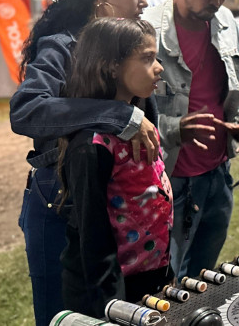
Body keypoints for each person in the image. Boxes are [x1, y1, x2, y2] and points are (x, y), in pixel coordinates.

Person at [10, 0, 157, 326]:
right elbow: (26, 110)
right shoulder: (61, 46)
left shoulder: (130, 49)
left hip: (120, 209)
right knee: (63, 316)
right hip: (60, 205)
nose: (144, 1)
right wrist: (117, 114)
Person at [144, 0, 239, 280]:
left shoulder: (226, 21)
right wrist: (175, 128)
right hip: (171, 176)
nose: (217, 1)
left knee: (203, 275)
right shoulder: (149, 32)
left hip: (218, 173)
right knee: (166, 279)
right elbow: (125, 114)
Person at [57, 18, 171, 318]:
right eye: (147, 58)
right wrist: (113, 307)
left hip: (150, 279)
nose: (159, 67)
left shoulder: (141, 122)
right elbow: (93, 240)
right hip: (111, 294)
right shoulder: (92, 146)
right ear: (111, 67)